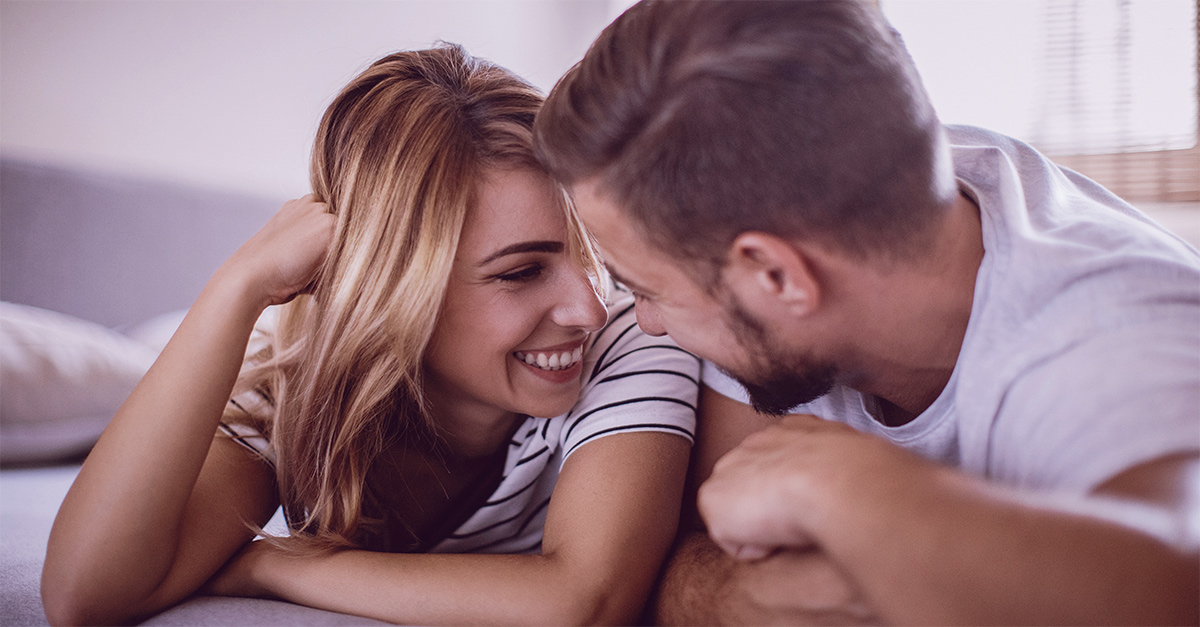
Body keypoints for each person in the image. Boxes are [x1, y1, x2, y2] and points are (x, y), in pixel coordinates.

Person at [532, 1, 1200, 624]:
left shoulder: (1110, 327)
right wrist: (757, 591)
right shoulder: (769, 223)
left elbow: (1176, 583)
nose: (641, 321)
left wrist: (840, 486)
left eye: (645, 291)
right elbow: (688, 557)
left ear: (776, 275)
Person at [42, 44, 699, 626]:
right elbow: (84, 595)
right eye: (521, 271)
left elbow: (584, 601)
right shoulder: (293, 397)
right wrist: (237, 286)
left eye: (590, 256)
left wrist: (278, 565)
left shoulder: (631, 337)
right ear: (393, 285)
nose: (587, 305)